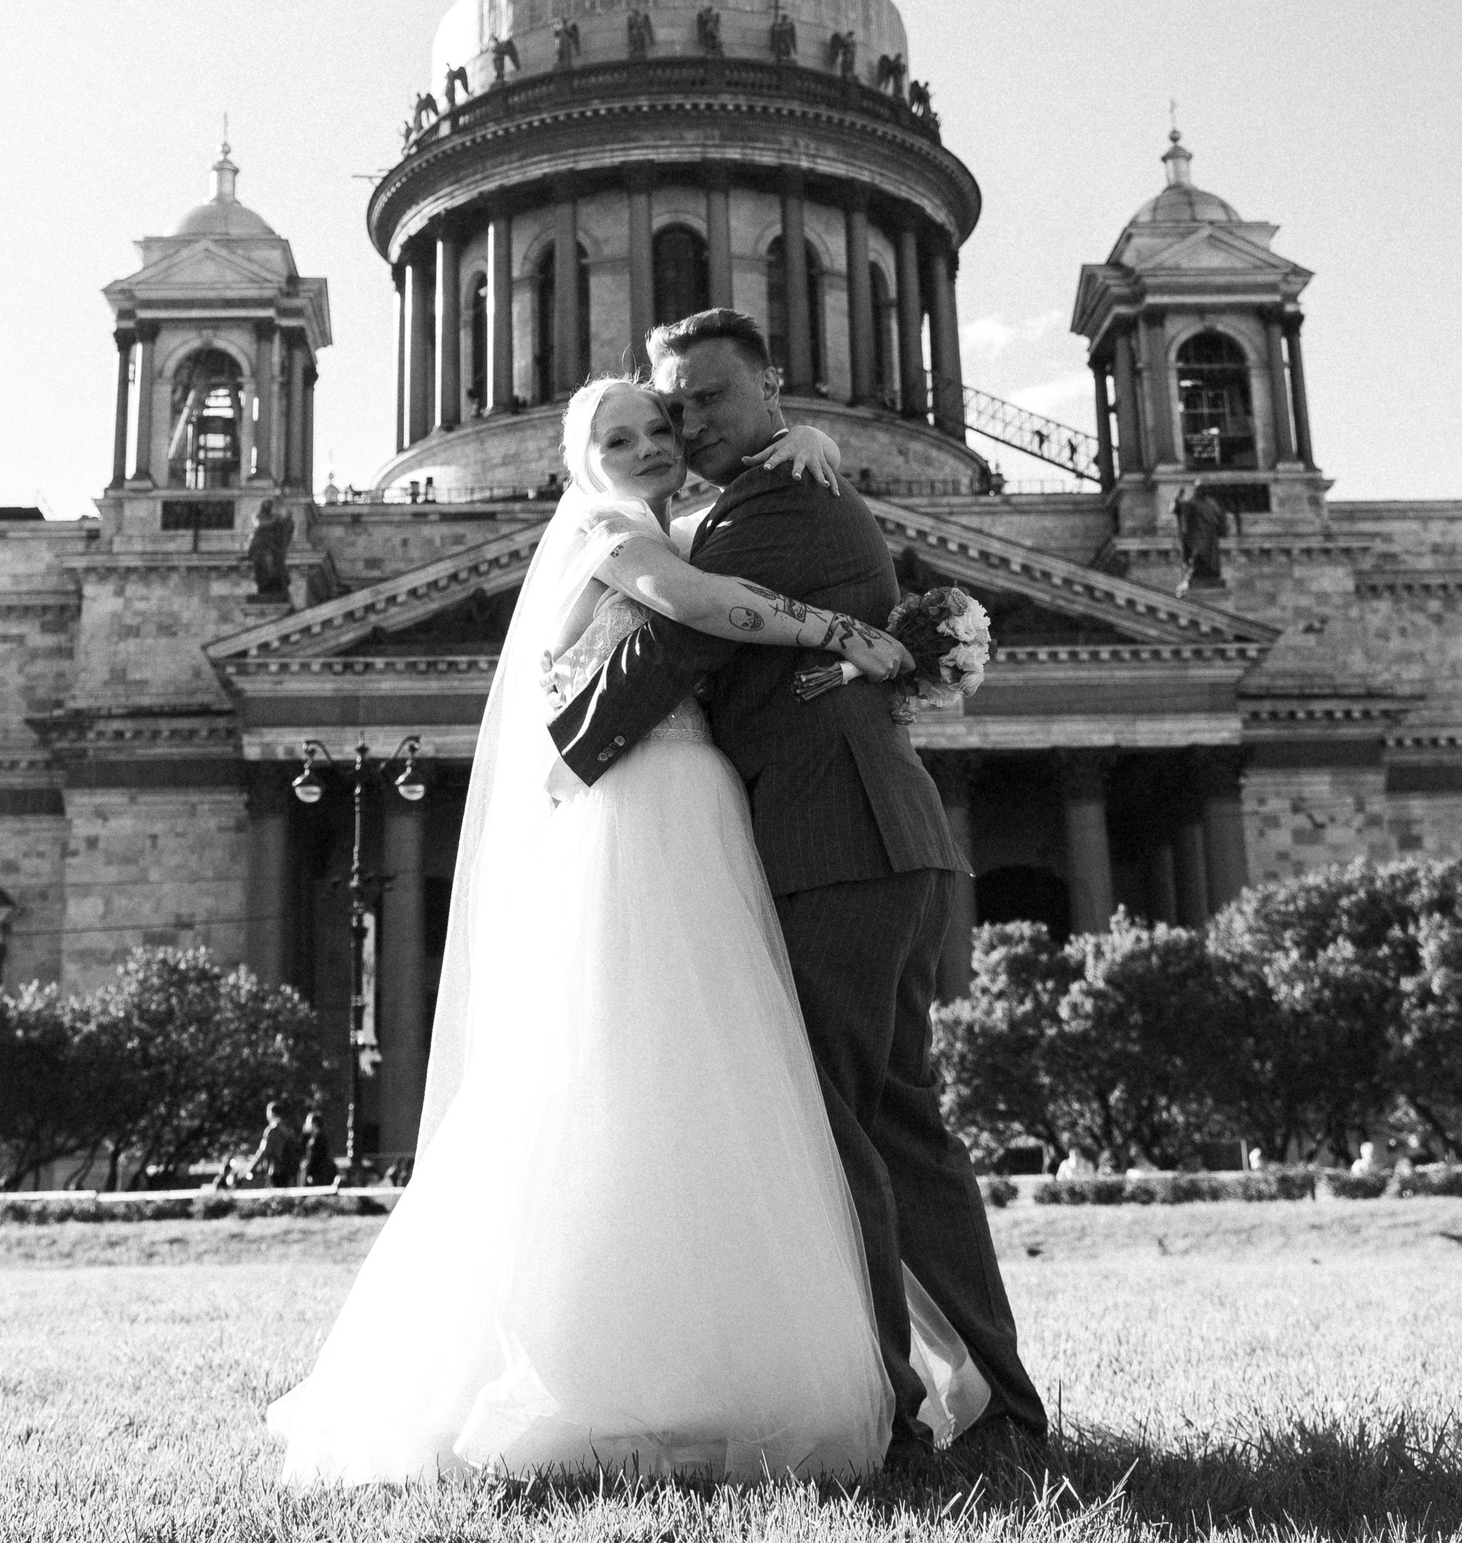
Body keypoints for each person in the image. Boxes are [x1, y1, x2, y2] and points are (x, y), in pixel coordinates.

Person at [268, 375, 980, 1486]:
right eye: (619, 433)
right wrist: (842, 628)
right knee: (631, 1065)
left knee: (703, 1079)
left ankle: (712, 1355)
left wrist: (806, 434)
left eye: (662, 426)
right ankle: (615, 1363)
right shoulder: (615, 528)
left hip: (702, 816)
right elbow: (691, 604)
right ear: (578, 455)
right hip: (650, 816)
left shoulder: (695, 515)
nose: (650, 444)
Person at [546, 311, 1047, 1459]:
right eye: (665, 409)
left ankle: (901, 1413)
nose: (683, 425)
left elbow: (681, 644)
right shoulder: (730, 504)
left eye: (710, 399)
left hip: (840, 842)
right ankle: (981, 1409)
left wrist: (558, 744)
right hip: (844, 839)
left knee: (845, 1128)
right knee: (884, 1124)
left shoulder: (773, 506)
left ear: (772, 387)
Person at [248, 1100, 301, 1189]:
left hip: (275, 1170)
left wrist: (251, 1168)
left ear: (271, 1113)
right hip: (289, 1170)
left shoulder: (272, 1130)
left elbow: (263, 1151)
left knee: (271, 1199)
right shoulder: (289, 1129)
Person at [297, 1111, 337, 1190]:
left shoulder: (316, 1141)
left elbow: (313, 1159)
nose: (306, 1125)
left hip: (317, 1176)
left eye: (308, 1122)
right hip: (320, 1175)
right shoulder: (318, 1138)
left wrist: (308, 1173)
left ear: (314, 1124)